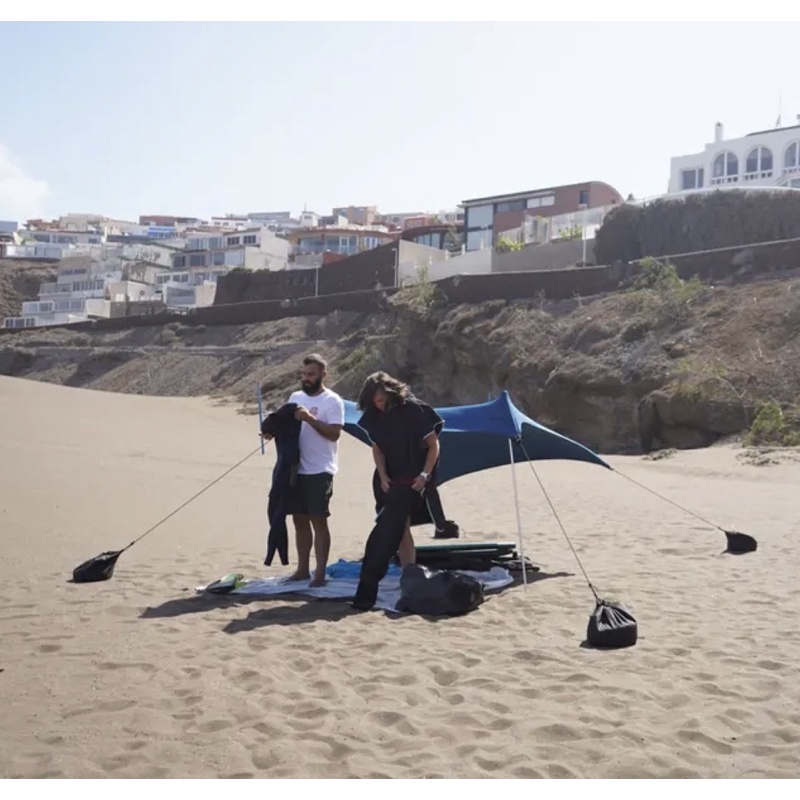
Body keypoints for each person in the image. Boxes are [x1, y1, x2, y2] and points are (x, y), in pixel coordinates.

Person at [351, 372, 443, 610]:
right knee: (398, 527)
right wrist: (382, 476)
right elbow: (378, 449)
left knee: (394, 525)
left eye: (381, 400)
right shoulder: (374, 414)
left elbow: (433, 445)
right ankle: (408, 575)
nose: (379, 405)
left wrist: (424, 475)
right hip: (387, 479)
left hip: (414, 477)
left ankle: (406, 576)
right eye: (374, 401)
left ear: (391, 394)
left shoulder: (414, 410)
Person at [262, 353, 344, 587]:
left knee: (319, 520)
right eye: (304, 374)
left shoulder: (332, 401)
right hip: (294, 468)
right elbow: (284, 424)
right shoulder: (295, 397)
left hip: (320, 469)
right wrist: (271, 431)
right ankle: (302, 569)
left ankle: (319, 574)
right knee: (298, 520)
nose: (307, 378)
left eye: (312, 375)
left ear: (323, 375)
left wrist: (309, 419)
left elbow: (334, 434)